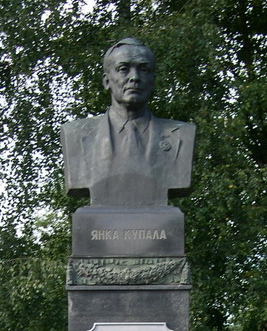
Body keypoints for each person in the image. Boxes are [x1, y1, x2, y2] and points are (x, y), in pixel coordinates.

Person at [61, 37, 196, 207]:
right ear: (107, 80)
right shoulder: (76, 135)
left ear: (153, 81)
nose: (135, 77)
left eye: (144, 69)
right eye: (123, 69)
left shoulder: (183, 135)